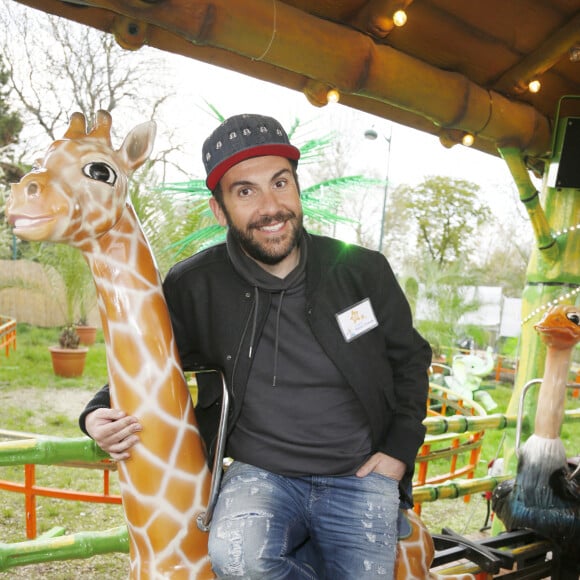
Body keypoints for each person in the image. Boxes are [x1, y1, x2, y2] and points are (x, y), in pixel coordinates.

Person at [79, 113, 432, 579]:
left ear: (297, 188)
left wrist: (399, 451)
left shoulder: (361, 271)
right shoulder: (195, 285)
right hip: (261, 474)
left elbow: (409, 360)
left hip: (360, 475)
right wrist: (96, 411)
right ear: (220, 211)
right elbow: (152, 361)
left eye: (280, 183)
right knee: (238, 561)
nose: (271, 206)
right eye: (246, 191)